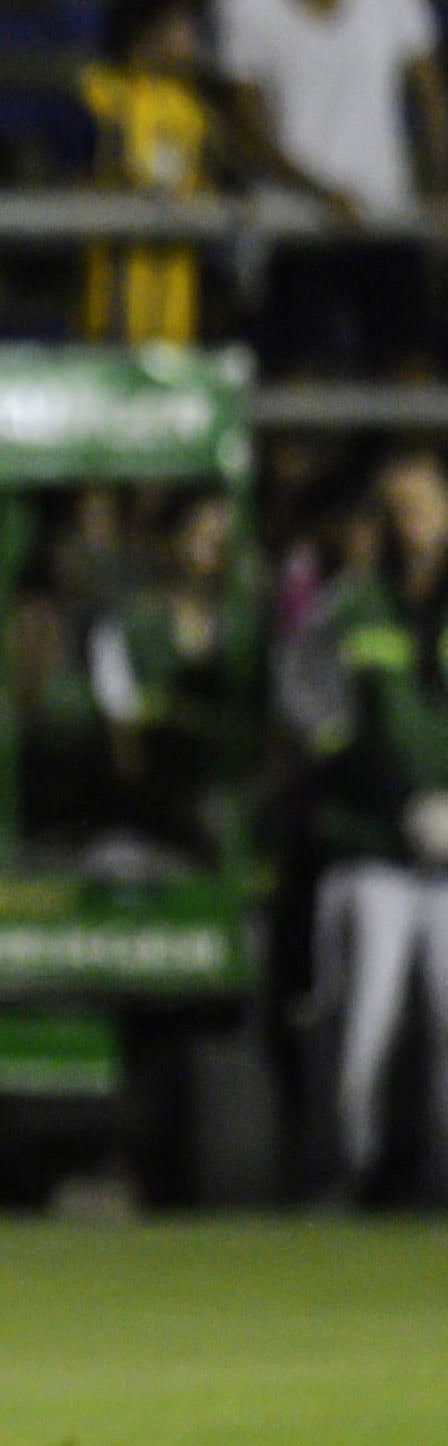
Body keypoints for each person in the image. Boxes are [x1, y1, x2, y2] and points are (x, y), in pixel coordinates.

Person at [285, 444, 448, 1194]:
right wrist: (405, 805)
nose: (409, 524)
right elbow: (321, 724)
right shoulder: (349, 606)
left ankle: (437, 1182)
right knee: (364, 1030)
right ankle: (346, 1179)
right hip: (374, 854)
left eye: (421, 504)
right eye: (395, 508)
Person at [214, 0, 445, 371]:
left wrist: (440, 183)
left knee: (412, 377)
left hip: (386, 216)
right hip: (294, 226)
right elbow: (247, 128)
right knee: (300, 386)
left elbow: (429, 95)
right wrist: (321, 193)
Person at [78, 0, 217, 347]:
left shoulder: (193, 109)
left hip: (175, 281)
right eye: (181, 27)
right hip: (113, 282)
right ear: (145, 31)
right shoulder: (101, 94)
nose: (191, 41)